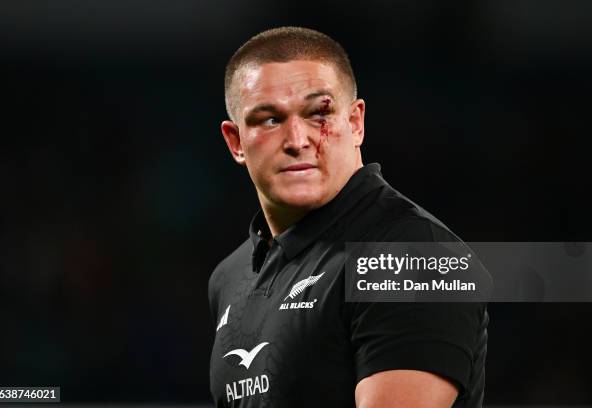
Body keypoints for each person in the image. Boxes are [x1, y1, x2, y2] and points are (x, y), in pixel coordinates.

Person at [208, 26, 488, 408]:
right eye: (270, 119)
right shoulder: (230, 276)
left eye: (317, 113)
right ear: (236, 141)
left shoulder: (413, 257)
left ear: (355, 123)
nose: (296, 140)